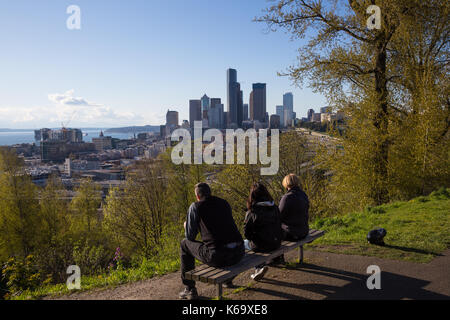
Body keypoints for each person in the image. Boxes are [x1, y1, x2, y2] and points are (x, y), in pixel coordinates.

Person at [179, 183, 244, 300]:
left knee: (184, 244)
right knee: (221, 243)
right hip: (239, 253)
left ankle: (189, 289)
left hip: (219, 256)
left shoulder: (196, 206)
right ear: (210, 193)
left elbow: (190, 236)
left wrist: (187, 225)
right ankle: (228, 279)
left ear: (198, 196)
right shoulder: (224, 203)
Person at [244, 183, 282, 281]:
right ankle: (274, 260)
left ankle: (258, 267)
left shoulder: (252, 212)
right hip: (276, 243)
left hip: (261, 246)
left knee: (243, 244)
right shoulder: (275, 207)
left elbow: (247, 234)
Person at [274, 174, 310, 264]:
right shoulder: (303, 195)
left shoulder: (287, 198)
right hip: (304, 231)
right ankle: (277, 258)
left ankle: (275, 259)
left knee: (273, 231)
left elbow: (278, 216)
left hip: (292, 234)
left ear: (286, 184)